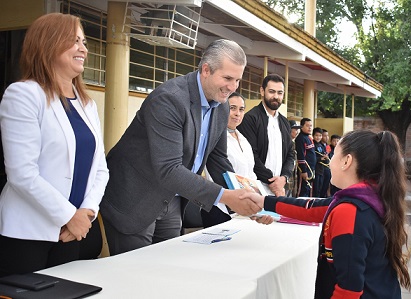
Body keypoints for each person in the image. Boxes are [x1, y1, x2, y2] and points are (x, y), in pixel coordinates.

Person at [100, 39, 261, 255]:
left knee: (168, 270)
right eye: (227, 78)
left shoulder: (222, 107)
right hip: (134, 200)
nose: (232, 88)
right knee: (135, 277)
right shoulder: (169, 99)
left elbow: (218, 161)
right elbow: (169, 169)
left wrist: (250, 198)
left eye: (237, 80)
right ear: (206, 70)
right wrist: (226, 197)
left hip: (172, 199)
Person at [0, 13, 109, 277]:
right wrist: (69, 216)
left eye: (83, 41)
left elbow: (100, 170)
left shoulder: (87, 104)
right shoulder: (24, 94)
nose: (83, 48)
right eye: (74, 41)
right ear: (48, 43)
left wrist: (86, 214)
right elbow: (22, 173)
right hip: (29, 234)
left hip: (73, 234)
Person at [246, 130, 411, 298]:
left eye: (334, 154)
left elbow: (348, 290)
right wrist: (263, 201)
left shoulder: (349, 211)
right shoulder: (369, 196)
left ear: (346, 161)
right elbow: (310, 208)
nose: (329, 160)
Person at [201, 92, 272, 227]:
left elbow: (251, 176)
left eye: (241, 109)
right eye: (232, 108)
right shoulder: (213, 137)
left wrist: (260, 205)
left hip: (245, 207)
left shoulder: (244, 140)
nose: (237, 114)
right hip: (220, 208)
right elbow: (219, 174)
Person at [237, 74, 295, 197]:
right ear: (262, 91)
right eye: (272, 91)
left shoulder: (284, 122)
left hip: (279, 189)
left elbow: (290, 153)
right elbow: (251, 156)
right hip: (255, 187)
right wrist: (272, 181)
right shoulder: (250, 119)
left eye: (280, 93)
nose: (276, 96)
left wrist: (284, 178)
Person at [295, 117, 315, 197]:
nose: (310, 128)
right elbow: (301, 156)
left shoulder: (309, 138)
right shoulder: (300, 139)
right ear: (301, 127)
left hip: (311, 169)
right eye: (307, 126)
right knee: (302, 191)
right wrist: (303, 171)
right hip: (305, 170)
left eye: (311, 126)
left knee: (308, 190)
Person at [312, 127, 329, 198]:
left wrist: (325, 158)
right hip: (316, 169)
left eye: (320, 136)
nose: (318, 137)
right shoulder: (312, 144)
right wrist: (320, 158)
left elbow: (325, 157)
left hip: (321, 170)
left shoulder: (322, 145)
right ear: (313, 135)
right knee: (315, 189)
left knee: (320, 188)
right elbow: (311, 158)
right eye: (316, 135)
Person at [287, 120, 301, 197]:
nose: (297, 132)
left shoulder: (293, 142)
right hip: (286, 178)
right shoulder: (285, 143)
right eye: (295, 129)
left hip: (292, 177)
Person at [320, 129, 331, 197]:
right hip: (322, 168)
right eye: (324, 136)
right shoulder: (318, 145)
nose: (326, 137)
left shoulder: (327, 146)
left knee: (326, 185)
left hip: (328, 168)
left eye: (327, 135)